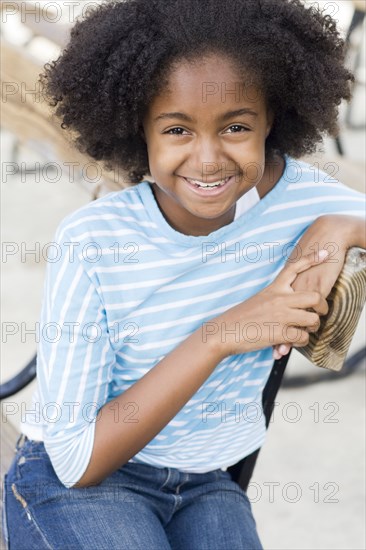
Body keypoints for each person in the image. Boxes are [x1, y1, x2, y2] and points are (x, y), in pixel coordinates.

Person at [2, 0, 365, 548]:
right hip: (77, 482)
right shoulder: (94, 243)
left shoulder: (300, 199)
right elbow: (77, 461)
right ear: (136, 128)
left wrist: (342, 227)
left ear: (272, 120)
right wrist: (222, 334)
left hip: (206, 483)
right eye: (177, 129)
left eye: (236, 126)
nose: (209, 159)